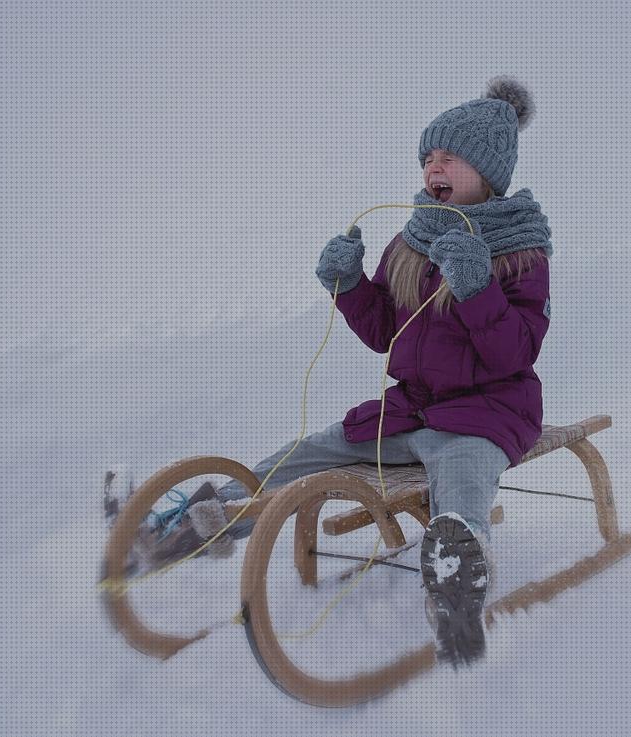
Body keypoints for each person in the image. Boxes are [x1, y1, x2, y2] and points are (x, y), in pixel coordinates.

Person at [129, 76, 553, 667]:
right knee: (312, 451)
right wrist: (349, 284)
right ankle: (200, 521)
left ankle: (457, 576)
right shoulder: (412, 242)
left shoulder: (522, 252)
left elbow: (516, 352)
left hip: (485, 416)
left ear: (486, 170)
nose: (434, 167)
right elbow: (384, 330)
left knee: (462, 476)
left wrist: (478, 285)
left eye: (449, 157)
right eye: (428, 156)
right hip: (410, 409)